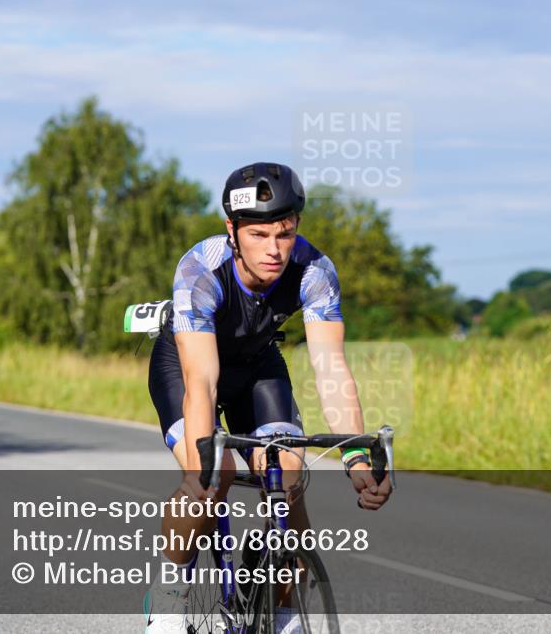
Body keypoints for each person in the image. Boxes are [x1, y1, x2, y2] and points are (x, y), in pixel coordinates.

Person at [143, 162, 392, 633]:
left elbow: (331, 368)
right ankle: (168, 597)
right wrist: (203, 465)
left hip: (258, 365)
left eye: (285, 233)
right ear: (232, 231)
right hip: (189, 362)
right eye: (259, 235)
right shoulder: (199, 269)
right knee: (215, 477)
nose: (274, 250)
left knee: (289, 475)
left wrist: (357, 456)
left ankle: (283, 611)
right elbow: (201, 381)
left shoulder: (315, 271)